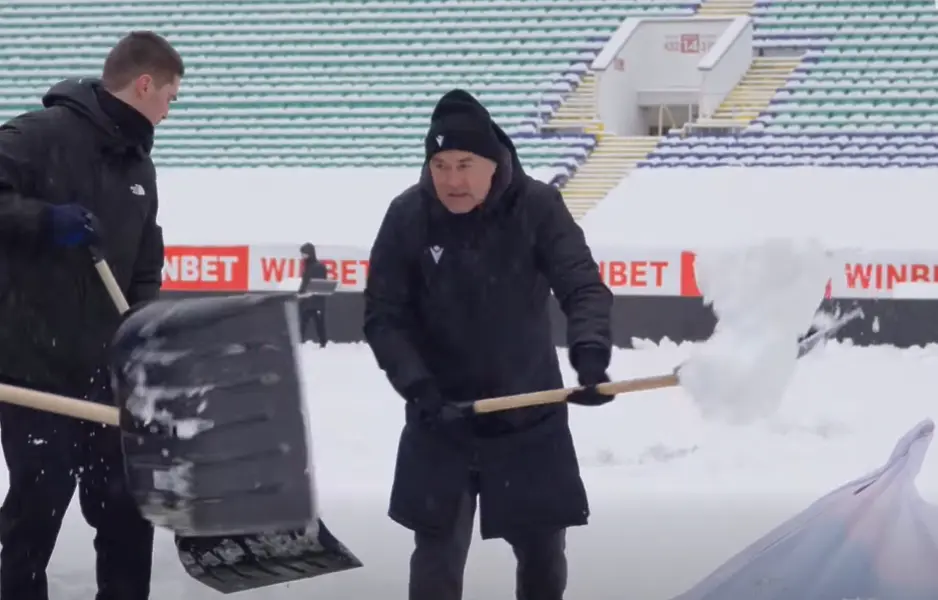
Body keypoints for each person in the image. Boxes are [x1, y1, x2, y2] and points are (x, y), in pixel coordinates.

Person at [363, 89, 617, 600]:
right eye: (439, 165)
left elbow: (582, 286)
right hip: (442, 418)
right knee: (435, 558)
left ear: (493, 162)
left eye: (464, 165)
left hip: (529, 414)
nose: (452, 180)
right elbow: (384, 316)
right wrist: (418, 387)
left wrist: (590, 356)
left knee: (543, 556)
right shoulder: (408, 216)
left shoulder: (537, 207)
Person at [0, 31, 183, 600]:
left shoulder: (140, 166)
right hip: (36, 371)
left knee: (127, 512)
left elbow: (145, 263)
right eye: (170, 97)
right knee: (37, 507)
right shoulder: (39, 136)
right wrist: (43, 220)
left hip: (110, 377)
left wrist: (141, 328)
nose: (168, 112)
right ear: (145, 84)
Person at [298, 242, 328, 347]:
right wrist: (300, 293)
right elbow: (305, 282)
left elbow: (320, 283)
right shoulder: (307, 266)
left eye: (304, 253)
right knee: (302, 323)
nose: (302, 256)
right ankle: (299, 341)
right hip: (306, 300)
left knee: (319, 324)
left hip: (316, 301)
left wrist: (307, 292)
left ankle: (323, 344)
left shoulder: (318, 267)